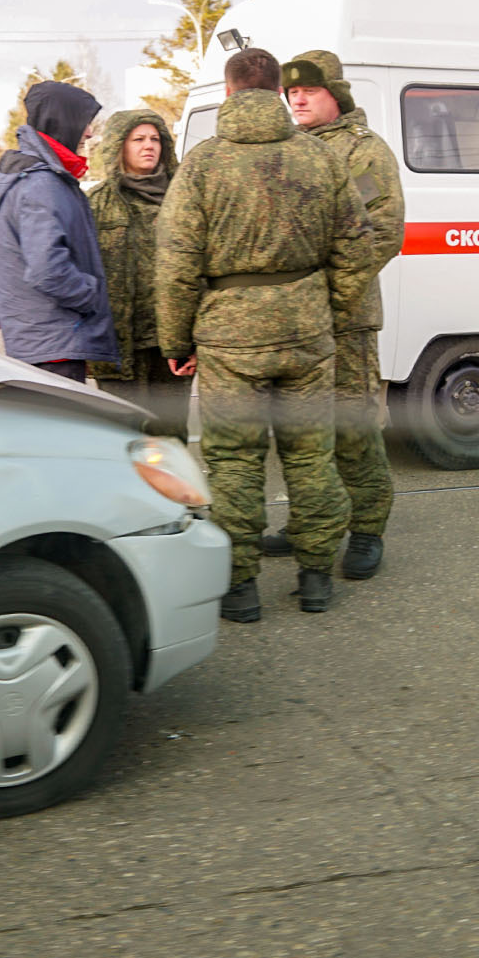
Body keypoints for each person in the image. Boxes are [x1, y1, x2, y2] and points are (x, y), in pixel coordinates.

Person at [157, 48, 373, 623]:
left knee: (233, 461)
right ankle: (316, 578)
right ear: (279, 92)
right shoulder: (320, 159)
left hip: (230, 338)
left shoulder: (202, 165)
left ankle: (241, 587)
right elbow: (358, 245)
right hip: (306, 332)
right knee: (310, 454)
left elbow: (176, 264)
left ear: (228, 93)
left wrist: (176, 342)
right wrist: (324, 307)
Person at [259, 51, 405, 580]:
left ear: (336, 96)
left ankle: (367, 528)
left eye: (308, 90)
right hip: (296, 320)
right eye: (290, 91)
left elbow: (382, 234)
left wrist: (329, 292)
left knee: (352, 425)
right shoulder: (284, 150)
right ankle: (309, 523)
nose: (296, 98)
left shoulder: (362, 152)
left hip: (345, 317)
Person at [0, 81, 116, 381]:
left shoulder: (44, 177)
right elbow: (47, 270)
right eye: (84, 122)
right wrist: (93, 295)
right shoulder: (41, 184)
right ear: (62, 122)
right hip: (54, 343)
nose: (89, 132)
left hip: (45, 340)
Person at [87, 109, 189, 438]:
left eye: (155, 139)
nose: (149, 146)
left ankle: (173, 492)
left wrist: (191, 339)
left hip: (170, 345)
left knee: (169, 435)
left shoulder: (184, 198)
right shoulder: (97, 203)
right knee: (121, 438)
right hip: (119, 347)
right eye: (139, 139)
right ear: (120, 146)